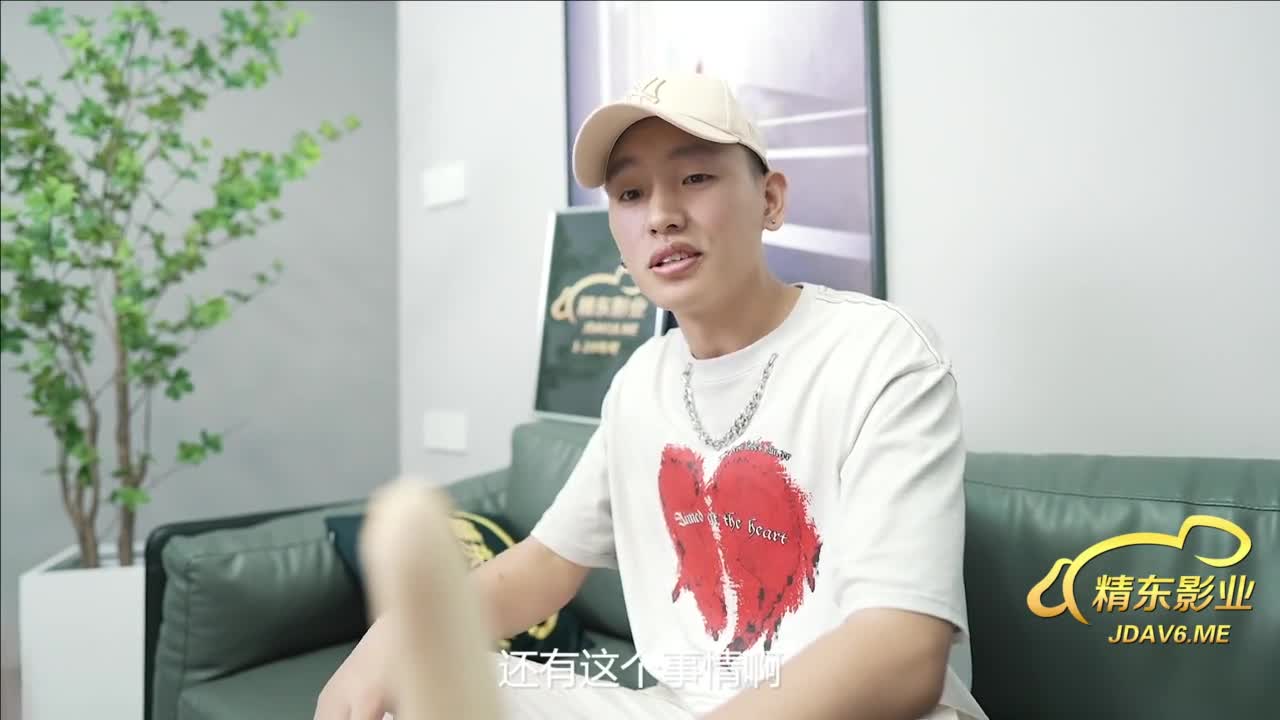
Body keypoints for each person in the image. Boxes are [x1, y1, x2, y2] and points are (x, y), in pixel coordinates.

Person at [315, 72, 990, 720]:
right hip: (676, 706)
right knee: (417, 682)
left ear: (771, 200)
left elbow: (901, 653)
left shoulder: (879, 352)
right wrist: (394, 636)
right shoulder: (641, 382)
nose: (662, 216)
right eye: (631, 193)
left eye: (695, 178)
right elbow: (546, 564)